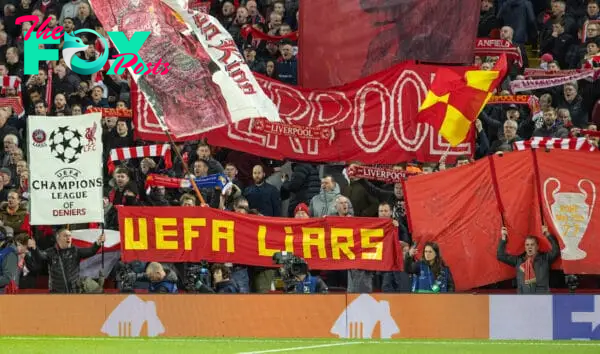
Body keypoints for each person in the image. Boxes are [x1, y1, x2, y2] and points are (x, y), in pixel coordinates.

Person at [29, 228, 105, 293]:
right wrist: (34, 248)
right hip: (56, 293)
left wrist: (98, 243)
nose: (68, 238)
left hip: (74, 293)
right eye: (65, 236)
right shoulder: (51, 252)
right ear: (58, 238)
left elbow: (91, 251)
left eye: (69, 236)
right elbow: (40, 256)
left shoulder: (76, 251)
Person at [497, 225, 560, 293]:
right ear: (525, 247)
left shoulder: (545, 258)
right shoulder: (518, 260)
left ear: (537, 247)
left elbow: (556, 251)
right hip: (523, 298)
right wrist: (503, 238)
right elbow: (501, 256)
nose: (529, 247)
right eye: (527, 245)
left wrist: (547, 234)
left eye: (532, 244)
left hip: (541, 298)